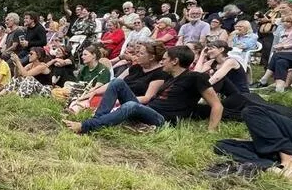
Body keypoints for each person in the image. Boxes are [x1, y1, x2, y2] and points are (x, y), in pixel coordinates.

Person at [64, 46, 223, 135]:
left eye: (165, 59)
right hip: (147, 110)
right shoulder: (169, 77)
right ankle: (99, 120)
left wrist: (211, 131)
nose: (162, 62)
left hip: (162, 119)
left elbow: (217, 105)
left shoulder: (196, 77)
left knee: (130, 106)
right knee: (117, 83)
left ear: (175, 61)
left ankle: (86, 126)